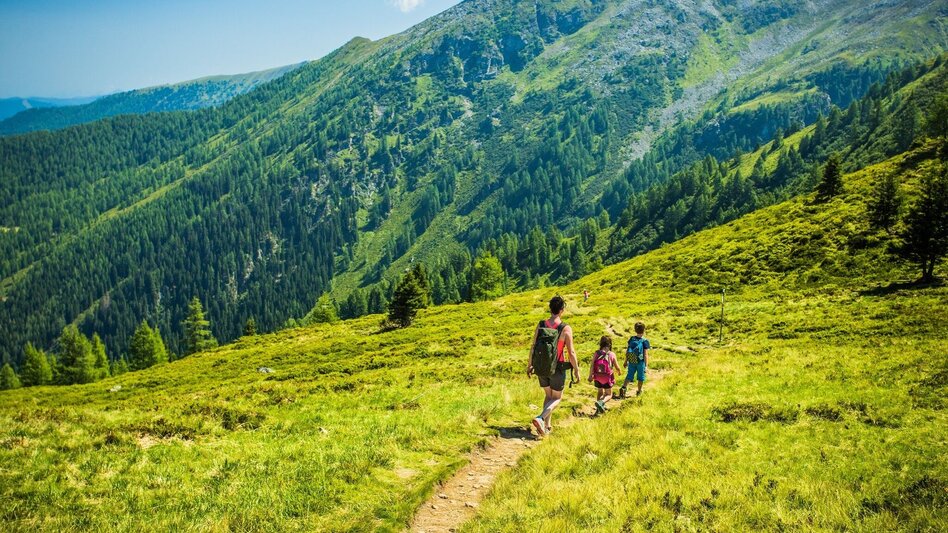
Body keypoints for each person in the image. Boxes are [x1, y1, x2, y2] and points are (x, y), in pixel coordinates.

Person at [526, 295, 579, 437]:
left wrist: (530, 364)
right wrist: (577, 370)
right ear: (562, 310)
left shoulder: (541, 324)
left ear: (550, 309)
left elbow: (533, 346)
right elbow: (571, 352)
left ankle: (547, 427)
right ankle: (540, 418)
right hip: (558, 367)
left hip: (541, 366)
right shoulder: (565, 328)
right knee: (556, 398)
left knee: (548, 395)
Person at [588, 335, 619, 414]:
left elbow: (592, 365)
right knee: (609, 394)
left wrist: (590, 375)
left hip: (597, 377)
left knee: (600, 391)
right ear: (610, 344)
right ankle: (601, 403)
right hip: (607, 378)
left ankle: (598, 410)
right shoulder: (611, 354)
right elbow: (616, 366)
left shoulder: (597, 353)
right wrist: (619, 371)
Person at [619, 321, 650, 398]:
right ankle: (639, 391)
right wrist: (646, 366)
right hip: (640, 362)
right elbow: (645, 354)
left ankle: (623, 389)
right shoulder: (645, 341)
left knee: (629, 375)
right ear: (644, 330)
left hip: (631, 359)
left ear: (635, 330)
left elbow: (628, 350)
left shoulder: (632, 339)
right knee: (640, 377)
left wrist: (626, 361)